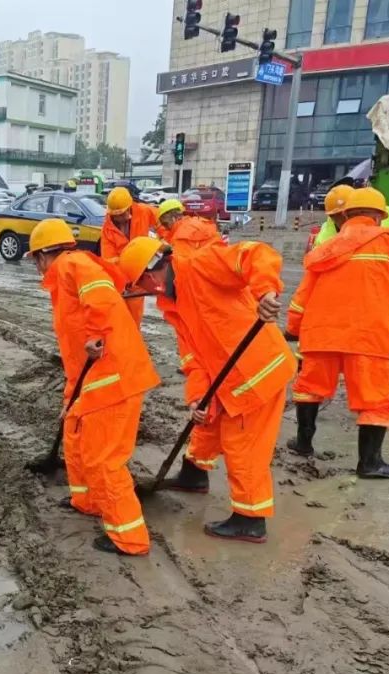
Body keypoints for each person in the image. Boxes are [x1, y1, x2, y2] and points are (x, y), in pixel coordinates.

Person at [121, 236, 295, 543]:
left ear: (152, 274)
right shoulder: (174, 304)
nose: (149, 292)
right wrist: (197, 398)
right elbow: (194, 358)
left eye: (145, 285)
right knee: (205, 424)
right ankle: (193, 475)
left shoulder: (200, 265)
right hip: (224, 378)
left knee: (243, 446)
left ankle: (250, 519)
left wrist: (266, 291)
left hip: (257, 375)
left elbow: (255, 253)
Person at [286, 187, 389, 478]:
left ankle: (303, 444)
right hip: (366, 337)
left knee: (309, 390)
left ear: (345, 215)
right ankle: (370, 463)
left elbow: (300, 299)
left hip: (320, 335)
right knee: (373, 400)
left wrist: (294, 330)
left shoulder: (324, 249)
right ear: (379, 216)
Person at [29, 218, 160, 557]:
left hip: (114, 380)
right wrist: (70, 396)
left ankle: (130, 538)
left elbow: (99, 295)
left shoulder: (73, 263)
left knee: (104, 460)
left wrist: (97, 334)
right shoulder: (64, 277)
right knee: (75, 433)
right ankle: (86, 500)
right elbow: (75, 352)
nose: (35, 267)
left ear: (45, 254)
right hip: (93, 379)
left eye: (35, 259)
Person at [99, 187, 158, 325]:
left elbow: (164, 222)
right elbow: (108, 260)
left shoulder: (143, 211)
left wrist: (164, 241)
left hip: (139, 278)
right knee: (117, 321)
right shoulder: (107, 229)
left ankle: (133, 342)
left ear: (129, 207)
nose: (119, 218)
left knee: (133, 322)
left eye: (122, 214)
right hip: (121, 280)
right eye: (116, 215)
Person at [312, 180, 389, 247]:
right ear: (331, 216)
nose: (343, 218)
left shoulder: (382, 213)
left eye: (346, 213)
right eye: (337, 216)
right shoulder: (326, 237)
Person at [158, 199, 224, 256]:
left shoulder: (182, 234)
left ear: (173, 217)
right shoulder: (193, 221)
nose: (165, 228)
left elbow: (183, 263)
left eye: (165, 224)